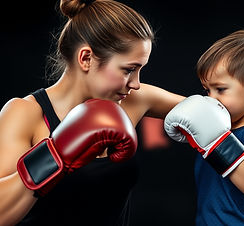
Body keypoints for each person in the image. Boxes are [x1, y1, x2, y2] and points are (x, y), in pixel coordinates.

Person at [0, 0, 184, 225]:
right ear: (86, 58)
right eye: (129, 70)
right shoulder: (25, 113)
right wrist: (55, 155)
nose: (135, 83)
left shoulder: (132, 100)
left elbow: (214, 112)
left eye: (139, 70)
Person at [164, 30, 244, 225]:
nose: (211, 98)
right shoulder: (220, 123)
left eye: (220, 89)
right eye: (207, 90)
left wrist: (217, 143)